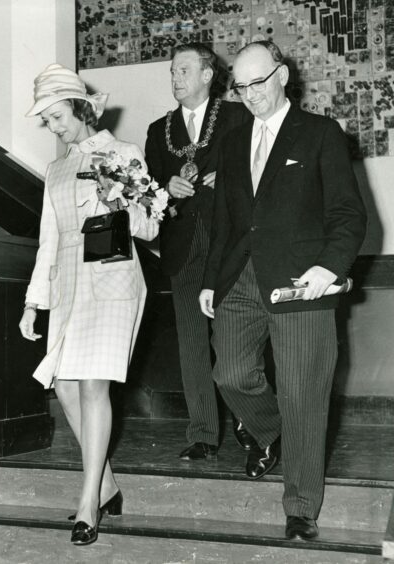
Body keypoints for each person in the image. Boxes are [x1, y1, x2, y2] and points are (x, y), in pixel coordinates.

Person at [199, 41, 367, 540]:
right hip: (240, 277)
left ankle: (300, 506)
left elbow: (348, 214)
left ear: (282, 74)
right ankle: (271, 434)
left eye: (258, 82)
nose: (249, 95)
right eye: (240, 87)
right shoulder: (231, 143)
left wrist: (328, 267)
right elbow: (223, 221)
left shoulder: (320, 133)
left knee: (303, 393)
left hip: (301, 284)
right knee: (229, 373)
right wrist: (211, 279)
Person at [19, 64, 159, 546]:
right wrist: (33, 303)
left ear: (80, 109)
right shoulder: (54, 170)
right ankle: (108, 484)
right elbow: (46, 243)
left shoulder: (124, 154)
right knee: (64, 388)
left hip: (115, 278)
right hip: (69, 284)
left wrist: (119, 201)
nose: (53, 127)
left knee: (94, 385)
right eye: (47, 120)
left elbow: (152, 227)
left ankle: (87, 504)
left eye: (58, 117)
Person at [145, 43, 254, 460]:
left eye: (184, 70)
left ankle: (252, 420)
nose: (175, 77)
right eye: (172, 71)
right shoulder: (159, 130)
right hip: (182, 246)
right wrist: (166, 188)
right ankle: (204, 433)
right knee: (192, 342)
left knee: (235, 341)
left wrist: (222, 180)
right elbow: (149, 185)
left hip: (229, 242)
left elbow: (255, 167)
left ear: (208, 75)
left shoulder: (236, 116)